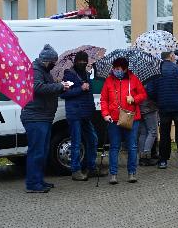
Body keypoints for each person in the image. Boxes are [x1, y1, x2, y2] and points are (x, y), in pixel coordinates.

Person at [19, 44, 68, 193]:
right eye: (53, 62)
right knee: (37, 151)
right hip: (35, 117)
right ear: (47, 61)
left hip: (43, 117)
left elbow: (47, 87)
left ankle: (39, 180)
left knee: (42, 151)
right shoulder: (35, 70)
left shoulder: (42, 71)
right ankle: (33, 184)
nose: (54, 65)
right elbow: (38, 88)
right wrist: (59, 86)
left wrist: (60, 86)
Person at [100, 57, 147, 184]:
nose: (116, 71)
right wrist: (105, 114)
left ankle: (132, 173)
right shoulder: (109, 81)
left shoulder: (134, 79)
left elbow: (143, 94)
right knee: (114, 147)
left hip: (131, 118)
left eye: (118, 69)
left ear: (125, 69)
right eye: (114, 68)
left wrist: (134, 99)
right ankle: (113, 174)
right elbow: (104, 99)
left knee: (132, 146)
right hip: (113, 119)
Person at [61, 51, 98, 180]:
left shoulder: (87, 74)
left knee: (93, 139)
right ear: (75, 62)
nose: (82, 63)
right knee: (76, 142)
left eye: (84, 61)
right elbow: (64, 94)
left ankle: (91, 167)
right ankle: (75, 170)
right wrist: (80, 89)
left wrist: (92, 109)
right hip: (75, 114)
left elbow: (89, 95)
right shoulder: (69, 75)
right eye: (80, 61)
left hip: (85, 113)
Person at [154, 51, 178, 169]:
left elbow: (150, 90)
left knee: (164, 134)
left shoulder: (157, 71)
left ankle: (163, 161)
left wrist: (158, 101)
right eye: (173, 55)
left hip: (163, 108)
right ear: (170, 56)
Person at [137, 76, 160, 166]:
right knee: (152, 131)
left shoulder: (135, 78)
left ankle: (142, 157)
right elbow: (151, 92)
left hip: (140, 108)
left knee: (143, 133)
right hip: (149, 107)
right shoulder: (149, 78)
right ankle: (146, 156)